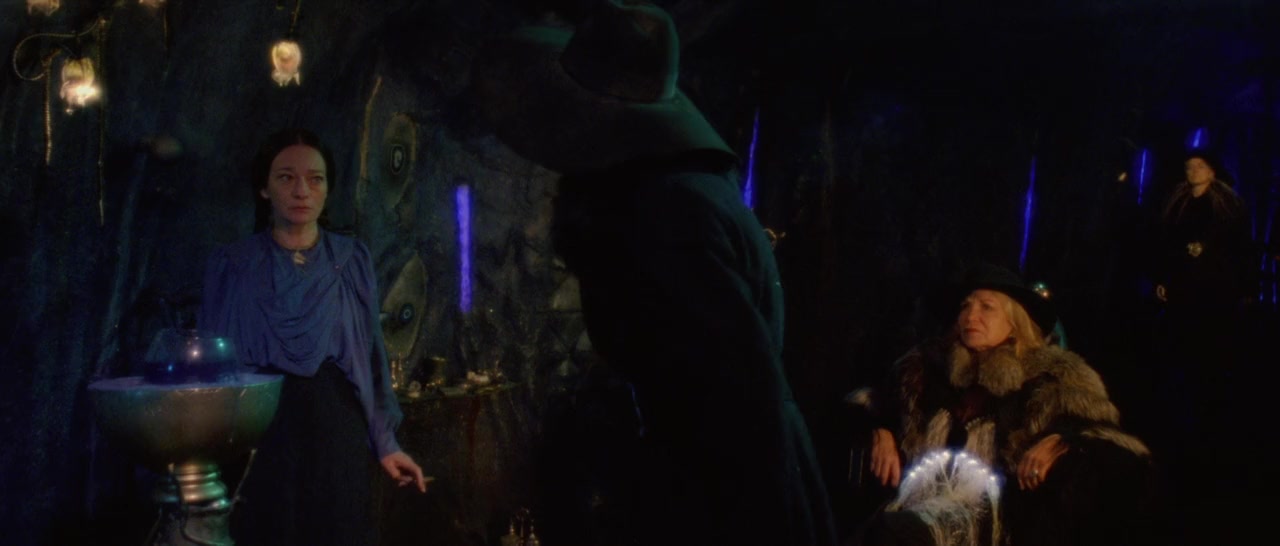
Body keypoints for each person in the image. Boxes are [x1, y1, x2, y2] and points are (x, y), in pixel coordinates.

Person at [470, 2, 837, 546]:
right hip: (723, 480)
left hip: (731, 498)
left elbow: (736, 392)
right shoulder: (679, 193)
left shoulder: (670, 214)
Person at [198, 128, 427, 546]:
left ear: (327, 189)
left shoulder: (351, 259)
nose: (302, 190)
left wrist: (386, 443)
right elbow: (213, 370)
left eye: (315, 179)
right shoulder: (234, 264)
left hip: (335, 425)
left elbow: (371, 359)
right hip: (261, 429)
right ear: (264, 188)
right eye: (286, 177)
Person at [845, 263, 1153, 546]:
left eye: (986, 307)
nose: (970, 316)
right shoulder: (924, 368)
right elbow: (868, 403)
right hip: (916, 503)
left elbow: (1111, 442)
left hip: (997, 522)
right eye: (965, 306)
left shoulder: (1052, 378)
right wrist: (880, 430)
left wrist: (1063, 441)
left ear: (1014, 322)